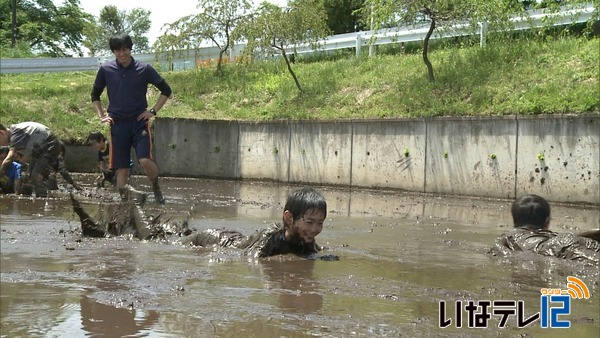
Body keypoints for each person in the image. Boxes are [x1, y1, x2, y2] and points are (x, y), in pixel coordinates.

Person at [90, 33, 172, 204]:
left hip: (139, 123)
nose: (122, 53)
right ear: (114, 52)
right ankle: (123, 205)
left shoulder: (144, 69)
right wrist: (102, 116)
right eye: (118, 50)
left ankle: (156, 187)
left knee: (144, 160)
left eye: (125, 49)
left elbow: (166, 90)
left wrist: (153, 111)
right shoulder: (106, 70)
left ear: (130, 49)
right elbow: (95, 94)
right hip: (118, 125)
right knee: (122, 169)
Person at [179, 187, 327, 258]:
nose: (314, 229)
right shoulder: (272, 237)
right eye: (309, 222)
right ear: (289, 218)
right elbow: (252, 260)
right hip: (215, 239)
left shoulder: (306, 238)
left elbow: (315, 252)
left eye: (320, 223)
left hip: (236, 237)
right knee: (177, 242)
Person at [489, 194, 599, 264]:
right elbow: (565, 240)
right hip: (565, 241)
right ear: (547, 221)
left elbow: (498, 249)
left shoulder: (509, 237)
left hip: (551, 248)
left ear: (514, 220)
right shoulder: (554, 237)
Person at [0, 122, 61, 197]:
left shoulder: (15, 134)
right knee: (27, 177)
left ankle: (42, 200)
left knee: (36, 176)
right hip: (40, 149)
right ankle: (27, 200)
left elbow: (10, 157)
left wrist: (1, 172)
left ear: (1, 133)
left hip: (49, 146)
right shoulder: (15, 134)